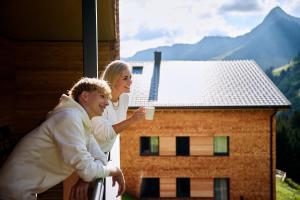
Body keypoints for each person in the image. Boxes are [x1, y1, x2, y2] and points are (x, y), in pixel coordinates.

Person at [0, 78, 125, 200]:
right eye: (102, 96)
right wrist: (114, 170)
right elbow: (88, 170)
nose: (107, 103)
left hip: (22, 191)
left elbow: (99, 159)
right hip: (11, 192)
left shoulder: (82, 123)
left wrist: (85, 178)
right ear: (85, 96)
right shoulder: (69, 118)